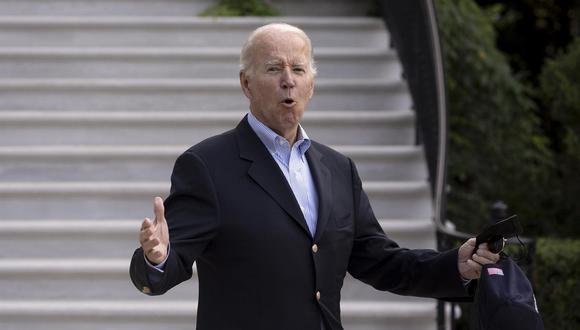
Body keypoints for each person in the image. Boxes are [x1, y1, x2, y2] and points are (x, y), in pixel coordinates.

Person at [130, 23, 499, 330]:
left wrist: (455, 266)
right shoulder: (207, 165)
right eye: (274, 69)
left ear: (312, 85)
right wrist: (157, 258)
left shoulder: (339, 170)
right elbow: (168, 264)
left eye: (299, 69)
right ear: (246, 84)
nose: (288, 81)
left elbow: (380, 261)